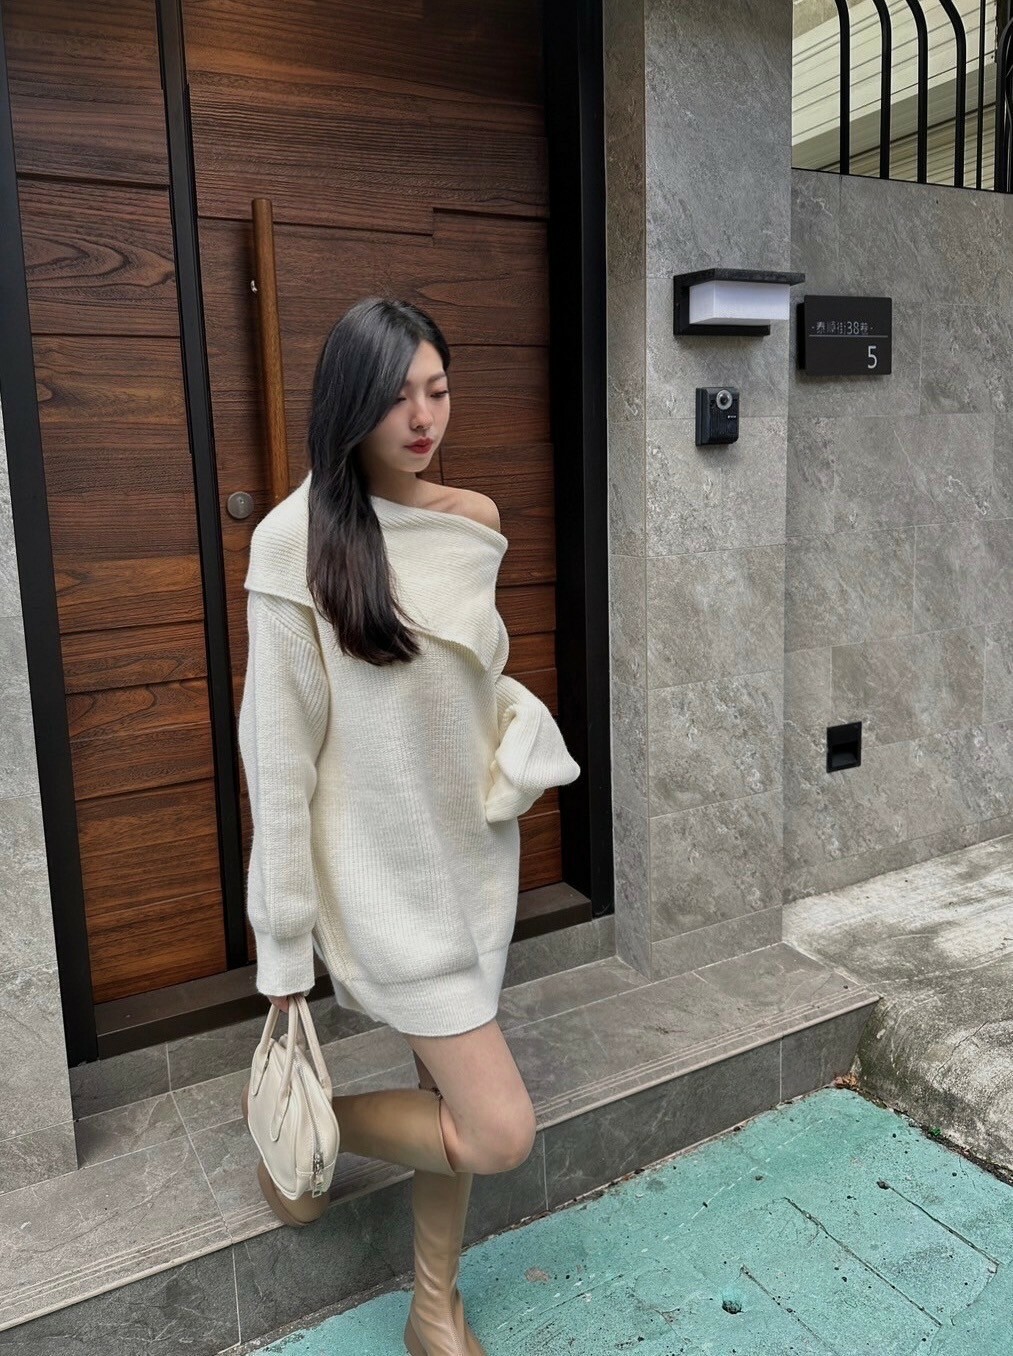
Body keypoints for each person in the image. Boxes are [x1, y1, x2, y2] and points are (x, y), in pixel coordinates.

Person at [236, 297, 581, 1356]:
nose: (424, 416)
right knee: (494, 1129)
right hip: (377, 877)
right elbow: (278, 762)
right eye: (397, 397)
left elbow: (469, 682)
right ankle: (315, 1131)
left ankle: (433, 1309)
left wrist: (516, 730)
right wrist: (282, 951)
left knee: (448, 1103)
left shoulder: (469, 519)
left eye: (437, 390)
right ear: (349, 404)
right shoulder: (292, 544)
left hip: (469, 858)